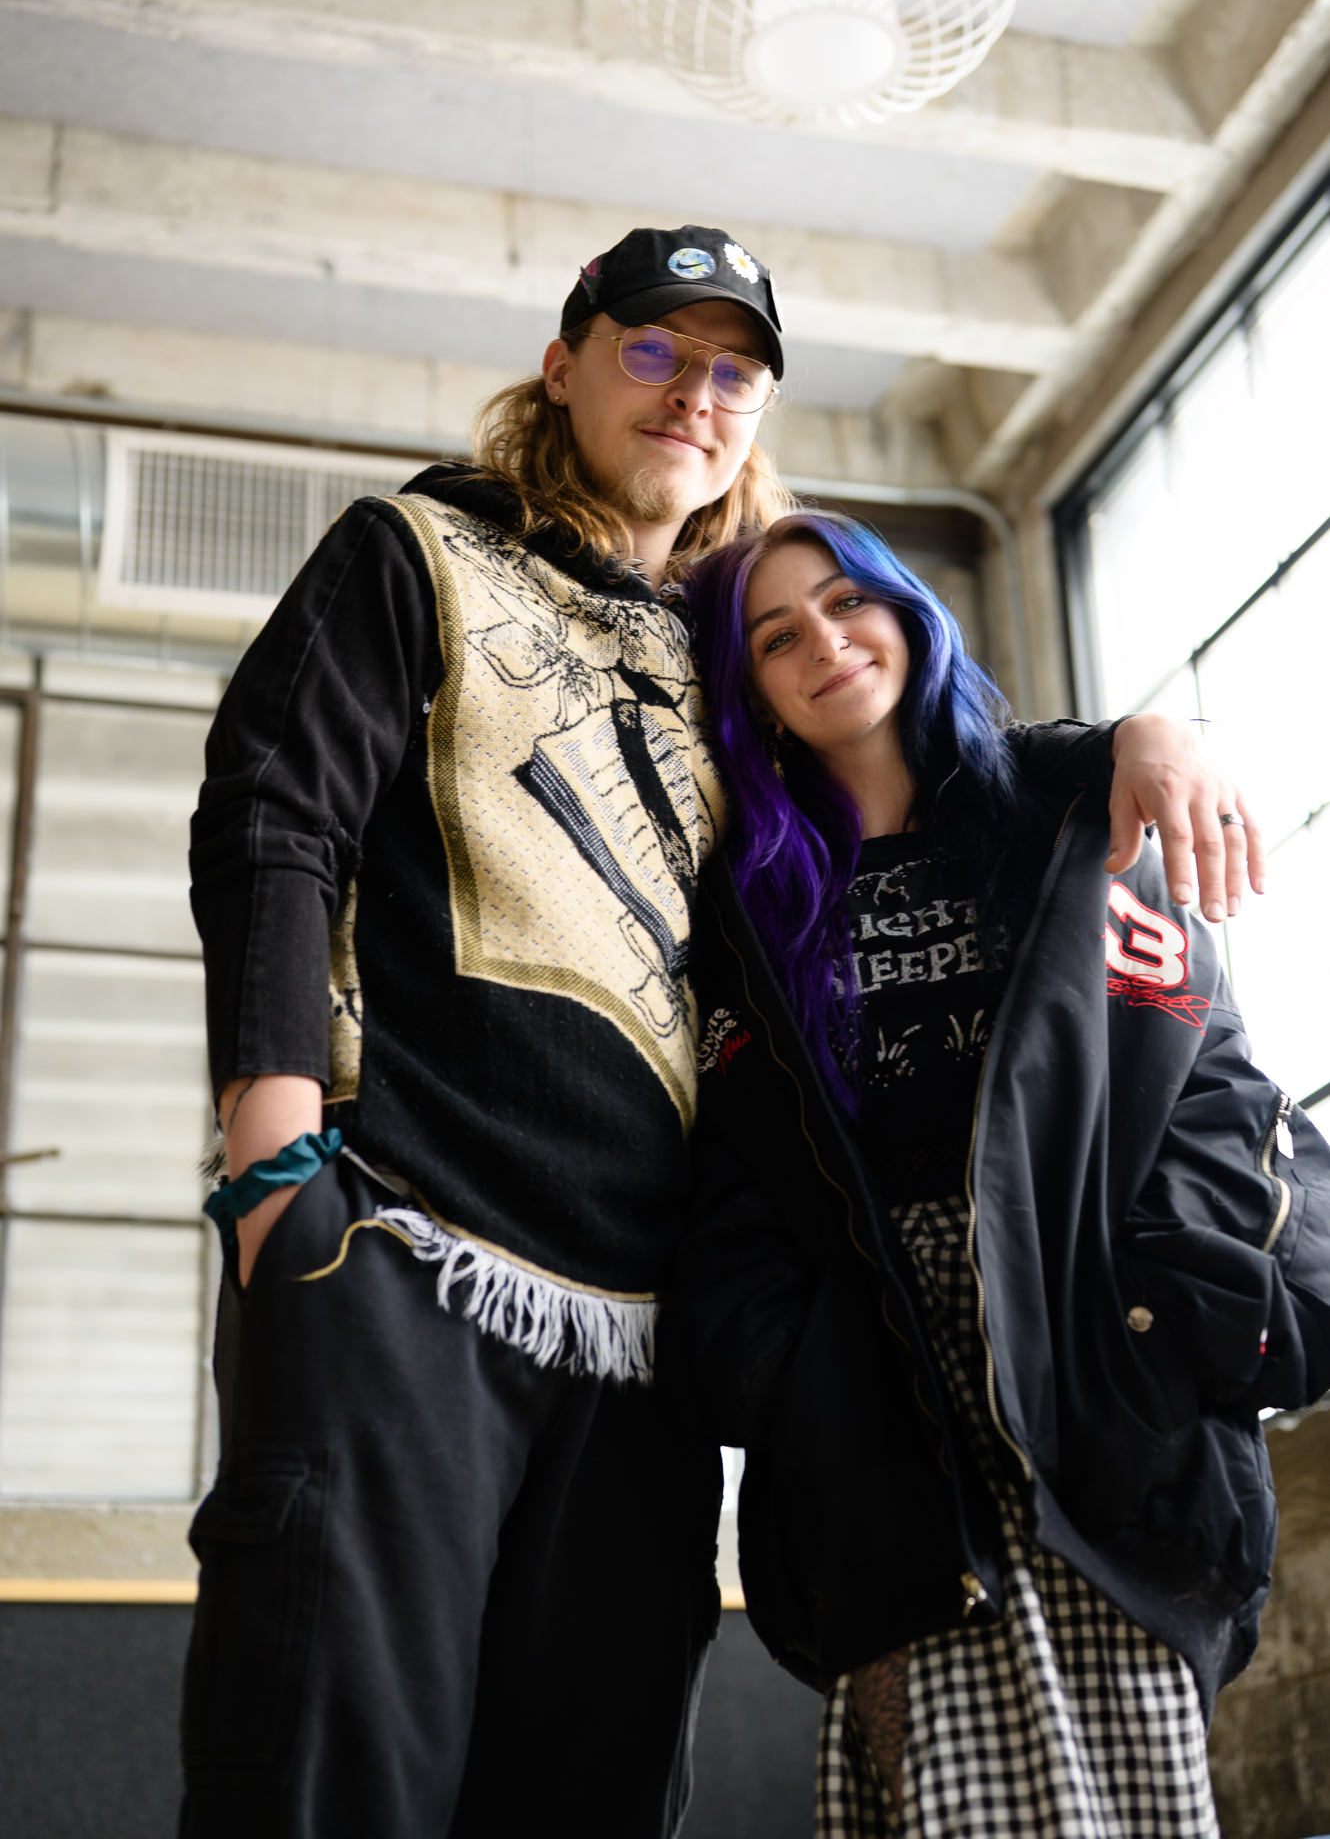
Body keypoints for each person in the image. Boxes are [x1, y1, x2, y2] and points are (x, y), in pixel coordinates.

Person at [183, 222, 1264, 1839]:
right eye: (652, 350)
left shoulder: (717, 649)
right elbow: (276, 818)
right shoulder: (409, 551)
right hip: (403, 1242)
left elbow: (909, 746)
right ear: (563, 367)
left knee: (595, 1780)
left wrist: (1134, 731)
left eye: (734, 371)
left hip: (643, 1328)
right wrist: (273, 1160)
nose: (695, 391)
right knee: (338, 1758)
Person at [661, 508, 1330, 1838]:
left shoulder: (1069, 832)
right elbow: (727, 1177)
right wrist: (784, 1373)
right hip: (872, 1385)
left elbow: (1211, 1085)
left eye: (848, 602)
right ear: (749, 698)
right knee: (925, 1791)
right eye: (774, 638)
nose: (824, 645)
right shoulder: (743, 906)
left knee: (1129, 1775)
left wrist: (1152, 1303)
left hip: (1090, 1365)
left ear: (908, 608)